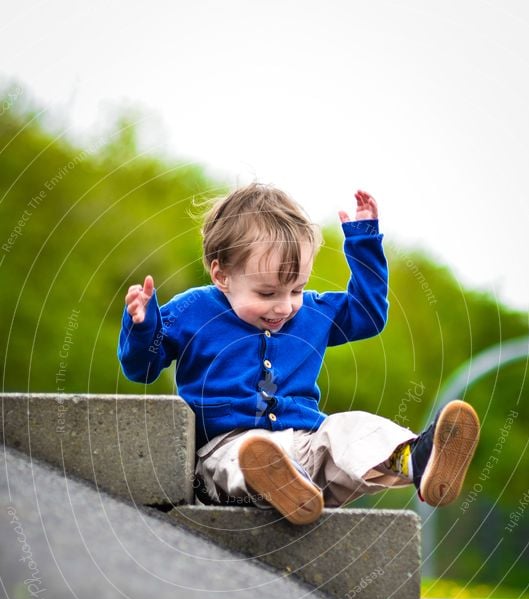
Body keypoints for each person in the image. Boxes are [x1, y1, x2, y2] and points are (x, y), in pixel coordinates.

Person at [118, 183, 480, 524]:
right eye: (267, 293)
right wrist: (142, 326)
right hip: (222, 454)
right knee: (246, 456)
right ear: (222, 275)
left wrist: (364, 244)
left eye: (297, 289)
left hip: (304, 445)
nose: (285, 306)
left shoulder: (310, 314)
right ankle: (280, 486)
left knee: (345, 429)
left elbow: (367, 315)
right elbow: (143, 367)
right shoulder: (192, 310)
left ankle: (415, 459)